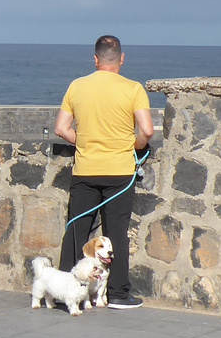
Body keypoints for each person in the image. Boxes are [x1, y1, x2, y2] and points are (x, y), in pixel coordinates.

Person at [53, 34, 154, 309]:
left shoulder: (77, 86)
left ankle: (65, 292)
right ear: (121, 59)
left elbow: (61, 128)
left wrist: (84, 141)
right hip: (120, 172)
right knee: (116, 233)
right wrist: (134, 145)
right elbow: (146, 130)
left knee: (77, 229)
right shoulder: (133, 88)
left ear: (96, 59)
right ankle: (119, 294)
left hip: (85, 169)